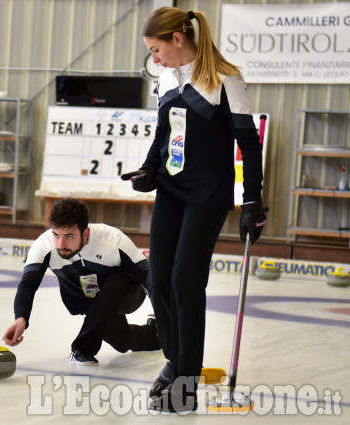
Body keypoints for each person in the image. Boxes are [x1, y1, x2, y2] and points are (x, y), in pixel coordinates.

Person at [121, 7, 268, 413]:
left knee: (186, 280)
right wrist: (149, 170)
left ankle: (187, 381)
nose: (155, 59)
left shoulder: (225, 79)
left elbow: (249, 143)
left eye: (156, 49)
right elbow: (163, 134)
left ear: (178, 40)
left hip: (209, 194)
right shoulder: (166, 80)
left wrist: (252, 200)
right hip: (171, 190)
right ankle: (175, 360)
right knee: (160, 279)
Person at [2, 198, 160, 366]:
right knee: (122, 341)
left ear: (85, 233)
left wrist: (168, 317)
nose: (61, 244)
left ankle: (82, 348)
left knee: (117, 281)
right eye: (56, 235)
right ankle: (156, 333)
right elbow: (28, 284)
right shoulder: (44, 245)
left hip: (125, 295)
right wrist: (21, 318)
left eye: (69, 236)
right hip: (86, 300)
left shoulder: (113, 240)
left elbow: (150, 280)